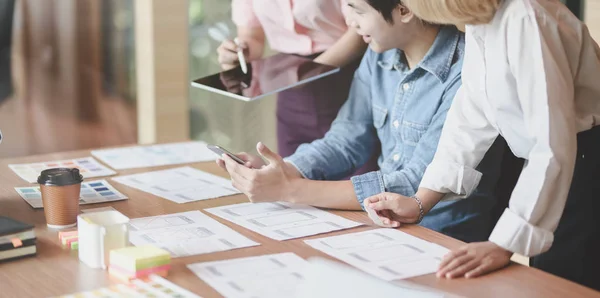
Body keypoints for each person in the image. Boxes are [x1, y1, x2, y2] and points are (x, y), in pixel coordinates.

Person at [218, 0, 505, 243]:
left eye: (357, 10)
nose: (350, 24)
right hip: (385, 227)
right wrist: (281, 170)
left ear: (404, 10)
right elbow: (345, 140)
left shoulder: (468, 68)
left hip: (445, 236)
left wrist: (290, 188)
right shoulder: (379, 56)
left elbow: (414, 183)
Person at [364, 0, 600, 290]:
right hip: (557, 160)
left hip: (585, 162)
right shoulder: (480, 19)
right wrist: (420, 201)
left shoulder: (527, 18)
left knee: (566, 282)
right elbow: (470, 116)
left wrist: (502, 245)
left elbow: (551, 144)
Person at [218, 0, 378, 176]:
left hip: (348, 75)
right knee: (290, 179)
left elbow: (363, 25)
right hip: (291, 89)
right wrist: (238, 54)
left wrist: (308, 72)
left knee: (361, 180)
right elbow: (253, 36)